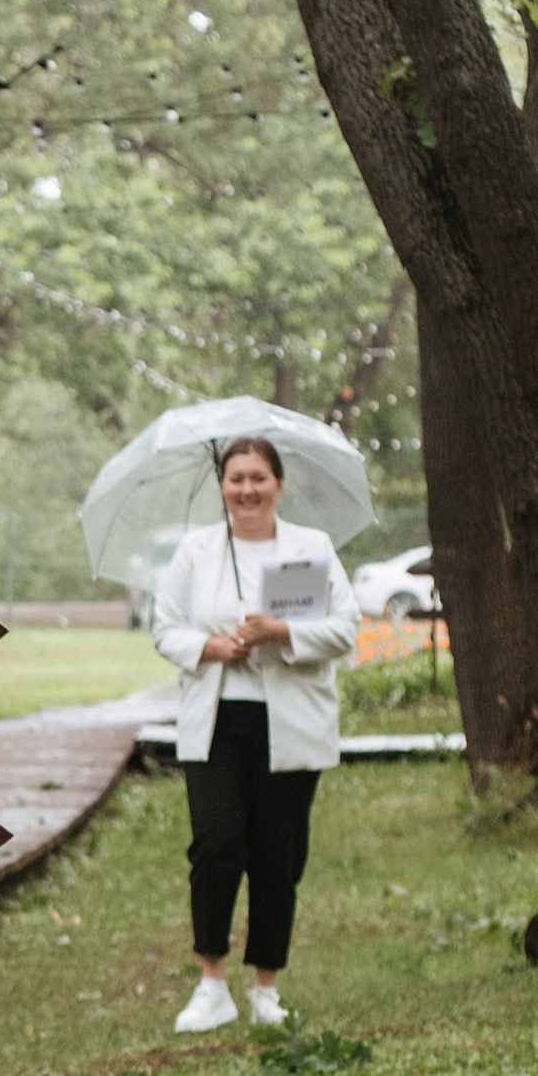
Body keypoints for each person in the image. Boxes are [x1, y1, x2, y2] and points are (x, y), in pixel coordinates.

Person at [150, 432, 359, 1034]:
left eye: (258, 478)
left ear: (278, 484)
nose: (247, 489)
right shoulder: (196, 551)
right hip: (218, 722)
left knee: (278, 854)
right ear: (223, 487)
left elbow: (344, 628)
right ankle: (211, 983)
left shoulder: (310, 547)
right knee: (216, 847)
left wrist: (280, 634)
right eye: (236, 478)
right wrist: (211, 645)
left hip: (290, 722)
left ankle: (267, 987)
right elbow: (166, 629)